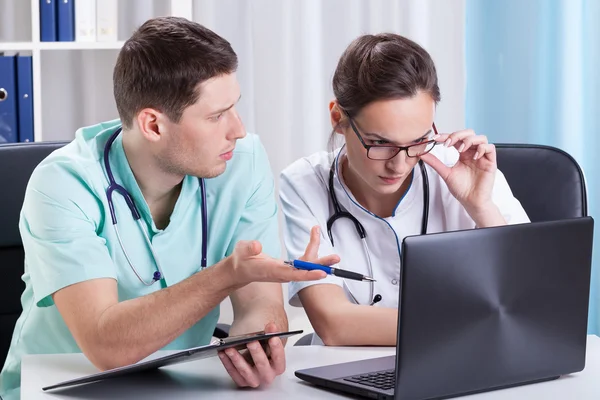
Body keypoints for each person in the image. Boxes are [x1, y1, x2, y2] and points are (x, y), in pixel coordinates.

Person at [0, 17, 336, 400]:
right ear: (153, 126)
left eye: (234, 108)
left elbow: (258, 302)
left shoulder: (242, 162)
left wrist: (256, 342)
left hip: (177, 386)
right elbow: (105, 344)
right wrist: (227, 275)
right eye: (216, 116)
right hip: (57, 389)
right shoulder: (63, 183)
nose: (238, 130)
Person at [279, 33, 530, 346]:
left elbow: (528, 300)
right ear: (338, 119)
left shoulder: (464, 170)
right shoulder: (303, 183)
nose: (399, 164)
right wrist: (475, 320)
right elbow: (334, 325)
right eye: (380, 143)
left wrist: (480, 207)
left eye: (417, 141)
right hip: (345, 372)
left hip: (461, 363)